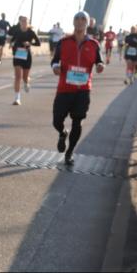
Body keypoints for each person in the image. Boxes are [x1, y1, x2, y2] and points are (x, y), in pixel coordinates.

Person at [51, 11, 104, 166]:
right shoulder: (64, 42)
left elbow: (99, 62)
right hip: (64, 89)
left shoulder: (93, 44)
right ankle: (62, 133)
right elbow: (55, 61)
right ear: (73, 22)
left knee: (77, 121)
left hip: (82, 90)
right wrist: (55, 67)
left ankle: (70, 152)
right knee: (56, 120)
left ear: (88, 23)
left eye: (83, 19)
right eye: (77, 19)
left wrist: (100, 66)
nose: (80, 21)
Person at [9, 15, 40, 105]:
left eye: (25, 21)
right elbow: (12, 40)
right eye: (22, 21)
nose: (24, 22)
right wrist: (11, 44)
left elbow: (38, 43)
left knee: (25, 78)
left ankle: (26, 83)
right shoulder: (17, 31)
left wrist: (29, 43)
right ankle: (17, 98)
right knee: (18, 77)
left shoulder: (31, 32)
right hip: (18, 55)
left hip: (27, 56)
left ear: (28, 22)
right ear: (20, 22)